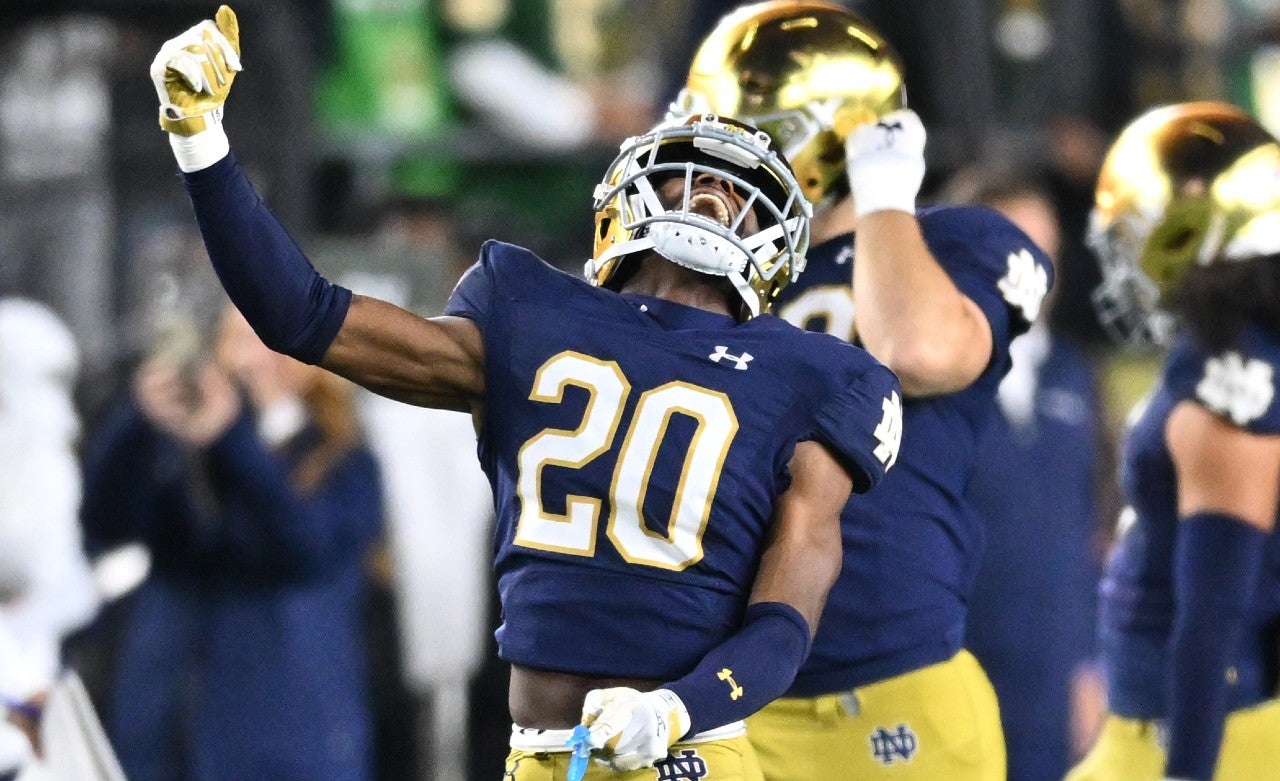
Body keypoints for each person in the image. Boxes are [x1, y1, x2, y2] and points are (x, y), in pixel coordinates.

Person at [149, 6, 903, 779]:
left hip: (688, 754)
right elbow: (301, 314)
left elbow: (784, 624)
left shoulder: (815, 375)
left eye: (734, 188)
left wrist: (675, 708)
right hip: (539, 755)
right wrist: (200, 142)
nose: (710, 196)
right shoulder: (526, 308)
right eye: (694, 174)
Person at [673, 3, 1053, 779]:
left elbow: (917, 348)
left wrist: (881, 191)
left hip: (889, 693)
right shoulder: (692, 262)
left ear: (823, 140)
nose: (710, 162)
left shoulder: (959, 243)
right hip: (709, 690)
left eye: (746, 132)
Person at [1064, 102, 1280, 781]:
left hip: (1202, 731)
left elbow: (1215, 615)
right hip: (1160, 720)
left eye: (1140, 232)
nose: (1128, 256)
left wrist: (1188, 768)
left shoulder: (1233, 381)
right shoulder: (1218, 353)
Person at [80, 302, 384, 781]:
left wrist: (232, 440)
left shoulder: (347, 463)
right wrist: (139, 419)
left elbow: (299, 549)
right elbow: (107, 520)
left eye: (272, 341)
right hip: (171, 735)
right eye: (239, 341)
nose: (254, 360)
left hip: (291, 737)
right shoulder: (189, 455)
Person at [944, 166, 1108, 781]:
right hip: (950, 664)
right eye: (1019, 251)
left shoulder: (1074, 375)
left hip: (1052, 676)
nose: (1038, 274)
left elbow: (1090, 528)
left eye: (1049, 252)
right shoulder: (918, 379)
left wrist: (1090, 664)